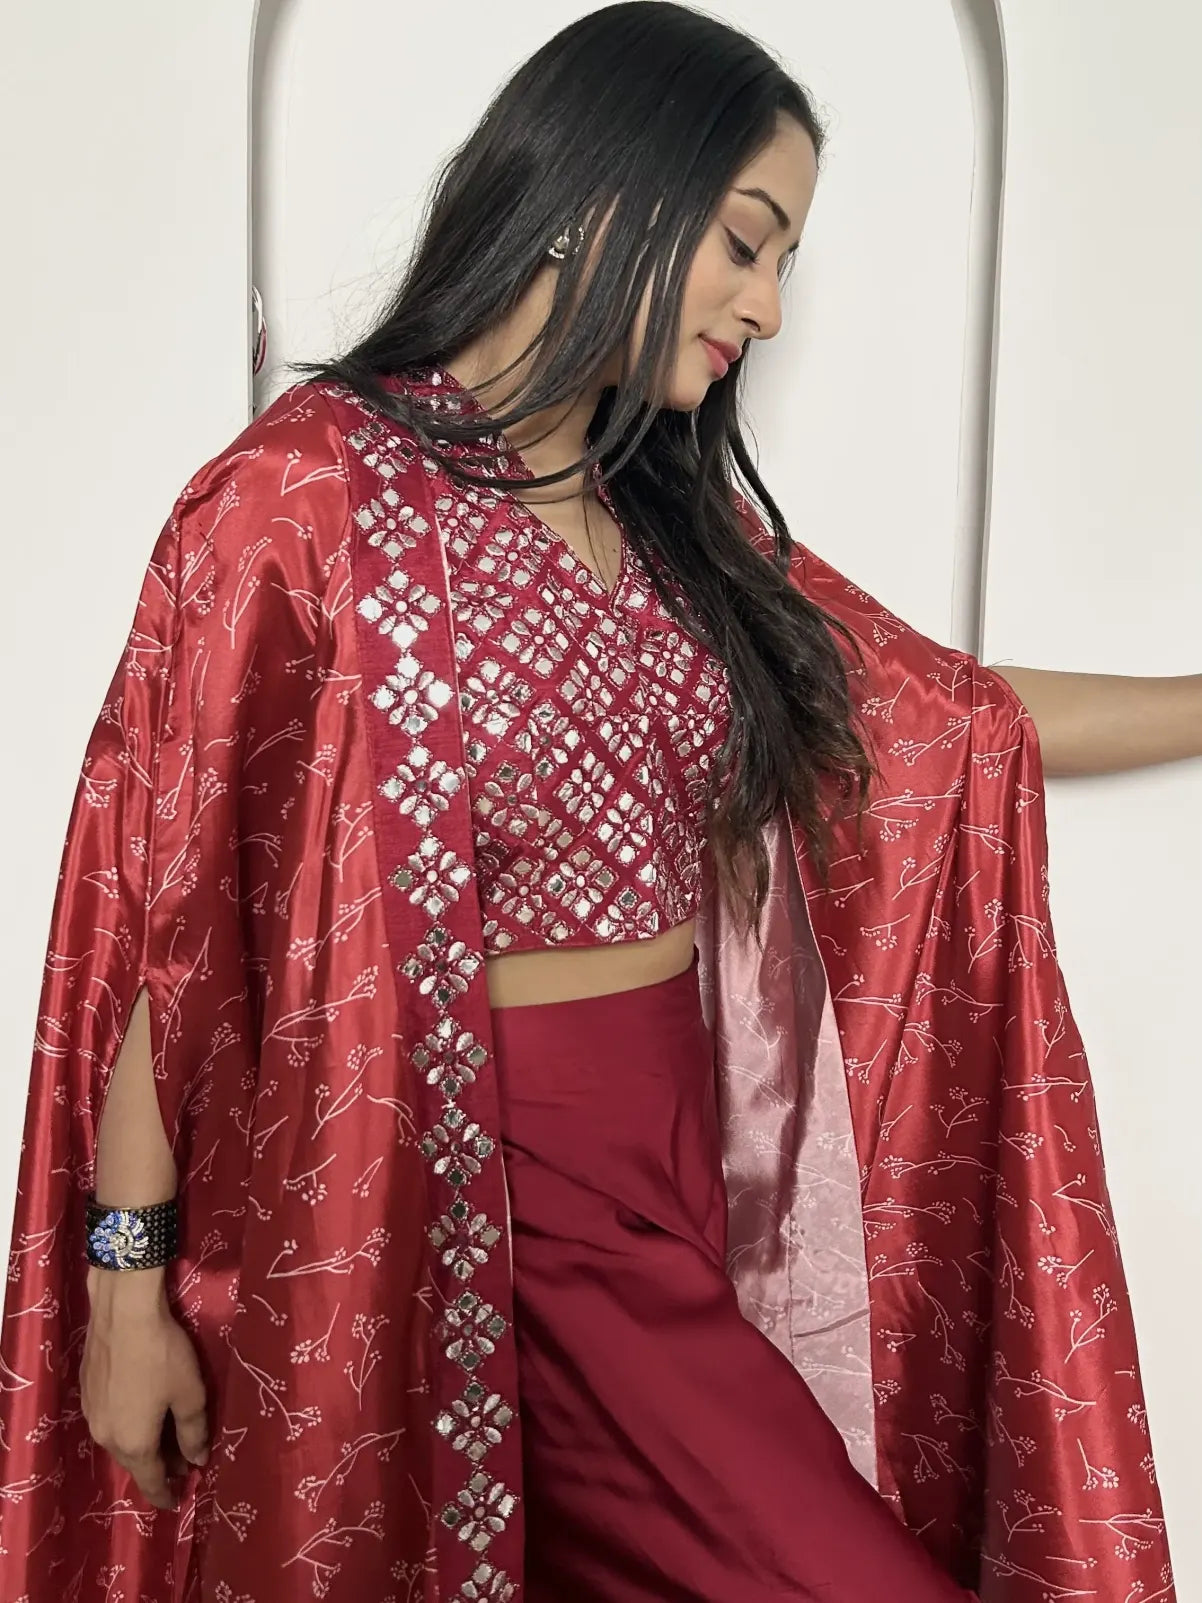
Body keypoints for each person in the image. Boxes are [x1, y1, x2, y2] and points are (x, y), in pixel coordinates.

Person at [0, 4, 1190, 1600]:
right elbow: (180, 930)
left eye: (786, 266)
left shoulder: (668, 533)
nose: (767, 308)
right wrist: (126, 1289)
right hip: (485, 1200)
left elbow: (951, 719)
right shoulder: (305, 497)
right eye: (748, 244)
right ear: (605, 190)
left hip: (677, 1188)